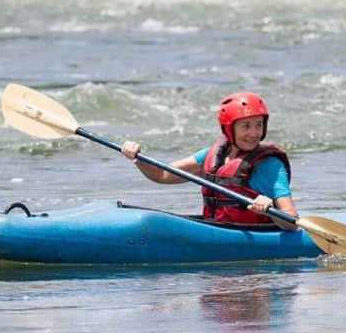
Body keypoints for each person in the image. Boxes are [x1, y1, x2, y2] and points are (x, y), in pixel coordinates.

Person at [121, 92, 298, 231]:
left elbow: (292, 221)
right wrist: (138, 157)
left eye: (259, 125)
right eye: (246, 126)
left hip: (256, 235)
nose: (254, 133)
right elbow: (162, 174)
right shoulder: (211, 156)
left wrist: (269, 209)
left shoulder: (271, 165)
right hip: (216, 229)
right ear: (228, 129)